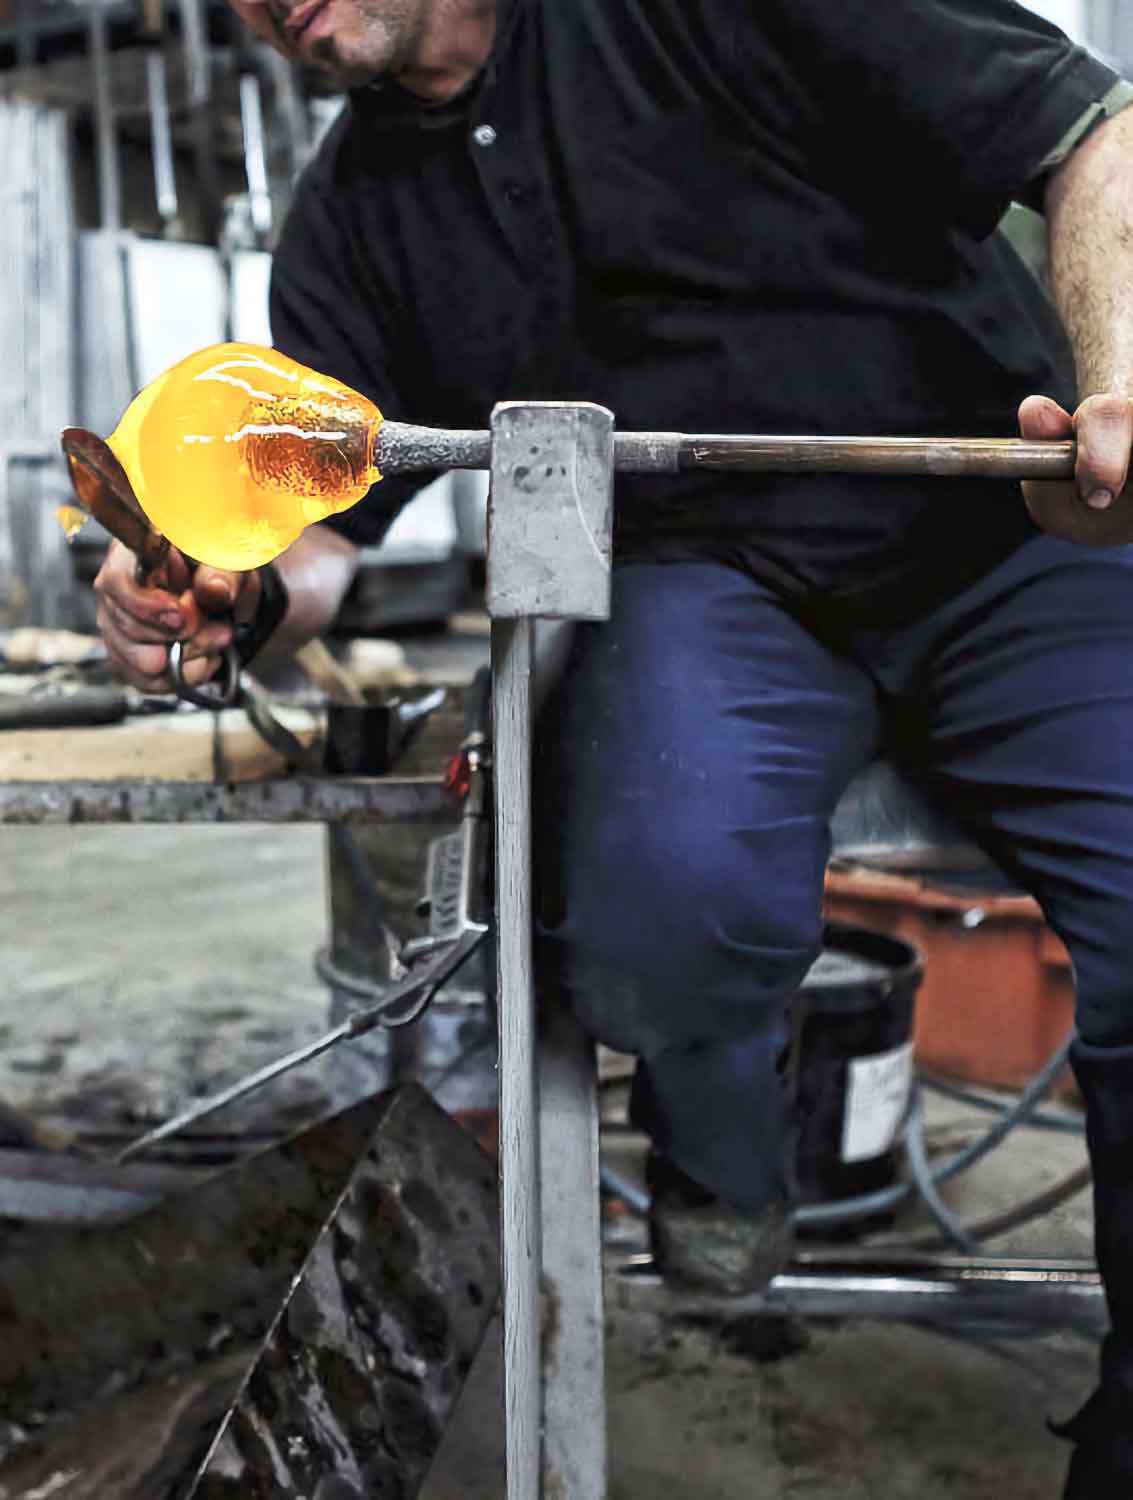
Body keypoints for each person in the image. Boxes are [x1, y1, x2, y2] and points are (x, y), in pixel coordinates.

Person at [94, 1, 1133, 1491]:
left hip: (1006, 530)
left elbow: (1092, 128)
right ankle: (720, 1141)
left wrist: (1116, 381)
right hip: (700, 583)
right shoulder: (351, 217)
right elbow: (323, 519)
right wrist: (222, 587)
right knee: (656, 897)